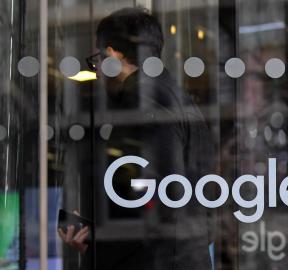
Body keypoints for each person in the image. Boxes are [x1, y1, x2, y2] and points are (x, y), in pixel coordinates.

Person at [58, 7, 216, 270]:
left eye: (96, 60)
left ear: (112, 55)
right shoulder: (178, 99)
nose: (96, 72)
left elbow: (158, 199)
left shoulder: (144, 102)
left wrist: (95, 237)